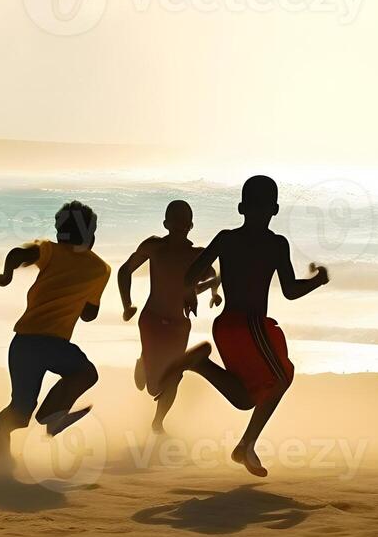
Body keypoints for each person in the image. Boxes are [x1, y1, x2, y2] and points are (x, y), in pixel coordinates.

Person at [160, 176, 329, 477]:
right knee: (282, 377)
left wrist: (188, 295)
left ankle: (200, 364)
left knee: (247, 397)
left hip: (225, 327)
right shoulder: (277, 244)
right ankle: (246, 445)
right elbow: (289, 291)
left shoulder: (226, 239)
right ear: (275, 210)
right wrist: (317, 281)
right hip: (250, 326)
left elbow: (190, 274)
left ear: (241, 207)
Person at [0, 201, 110, 463]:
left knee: (24, 411)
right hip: (35, 343)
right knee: (82, 375)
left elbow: (16, 255)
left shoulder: (51, 251)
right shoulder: (98, 268)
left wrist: (6, 274)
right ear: (91, 233)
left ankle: (49, 418)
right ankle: (12, 425)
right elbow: (90, 315)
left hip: (33, 345)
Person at [117, 200, 221, 433]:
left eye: (185, 223)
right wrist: (127, 305)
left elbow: (214, 275)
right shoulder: (155, 247)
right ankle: (145, 360)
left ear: (191, 225)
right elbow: (124, 270)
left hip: (178, 326)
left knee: (175, 375)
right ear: (166, 223)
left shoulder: (197, 254)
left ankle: (158, 422)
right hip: (152, 319)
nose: (180, 227)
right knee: (153, 387)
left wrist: (211, 293)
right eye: (176, 222)